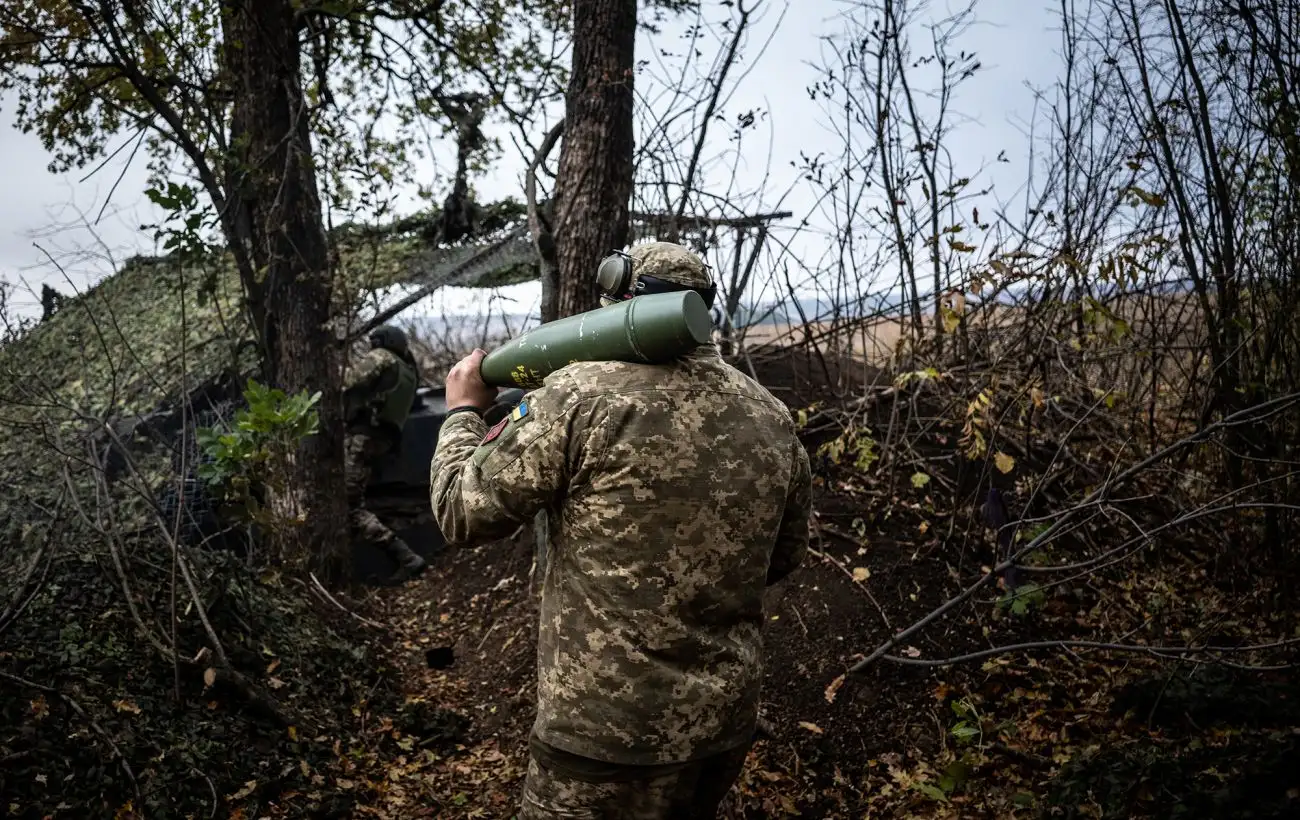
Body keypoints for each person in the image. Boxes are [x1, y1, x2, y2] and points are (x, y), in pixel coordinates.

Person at [428, 241, 813, 819]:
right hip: (718, 728)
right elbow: (781, 557)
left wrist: (462, 411)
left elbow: (461, 509)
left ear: (616, 306)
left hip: (603, 732)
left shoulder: (580, 396)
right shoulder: (770, 415)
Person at [343, 324, 428, 581]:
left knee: (349, 507)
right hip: (382, 440)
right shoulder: (408, 371)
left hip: (361, 436)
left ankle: (406, 557)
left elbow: (346, 381)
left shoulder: (383, 358)